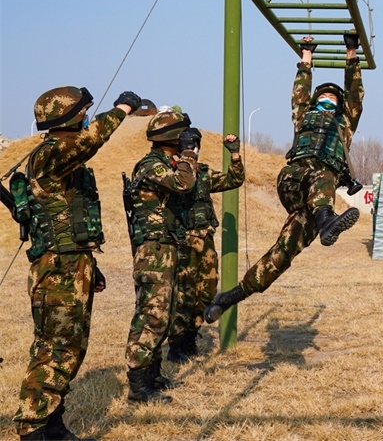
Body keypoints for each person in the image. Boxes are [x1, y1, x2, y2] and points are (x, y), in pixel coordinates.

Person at [7, 87, 141, 440]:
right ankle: (33, 428)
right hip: (58, 270)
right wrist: (123, 109)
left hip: (72, 263)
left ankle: (52, 425)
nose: (86, 118)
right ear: (70, 117)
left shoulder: (63, 159)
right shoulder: (51, 154)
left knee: (70, 348)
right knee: (55, 349)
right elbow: (90, 140)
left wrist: (90, 266)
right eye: (83, 113)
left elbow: (66, 221)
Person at [204, 31, 363, 323]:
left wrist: (351, 51)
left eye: (333, 98)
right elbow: (299, 93)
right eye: (323, 97)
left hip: (317, 199)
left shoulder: (345, 123)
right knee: (323, 175)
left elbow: (354, 93)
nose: (328, 100)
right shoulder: (304, 117)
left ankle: (228, 299)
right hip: (294, 179)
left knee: (283, 253)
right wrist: (306, 57)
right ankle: (327, 220)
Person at [123, 110, 199, 403]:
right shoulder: (151, 166)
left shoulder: (166, 163)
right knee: (152, 315)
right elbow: (184, 183)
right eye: (183, 134)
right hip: (154, 250)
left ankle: (152, 374)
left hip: (166, 246)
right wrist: (189, 153)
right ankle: (138, 386)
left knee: (164, 314)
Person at [166, 133, 244, 363]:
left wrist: (235, 154)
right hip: (183, 242)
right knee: (184, 294)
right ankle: (177, 345)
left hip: (205, 240)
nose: (193, 150)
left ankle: (191, 337)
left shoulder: (204, 173)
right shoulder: (171, 172)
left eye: (194, 146)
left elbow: (234, 180)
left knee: (207, 290)